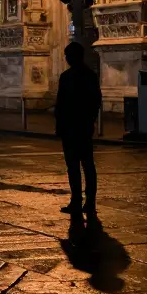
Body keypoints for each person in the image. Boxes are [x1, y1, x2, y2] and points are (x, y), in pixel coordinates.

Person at [54, 41, 101, 215]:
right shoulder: (90, 75)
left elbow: (61, 104)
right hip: (83, 126)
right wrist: (90, 120)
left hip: (70, 127)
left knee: (74, 166)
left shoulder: (67, 77)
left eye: (67, 56)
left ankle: (77, 200)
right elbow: (96, 100)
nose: (66, 59)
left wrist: (59, 126)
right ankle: (89, 202)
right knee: (87, 165)